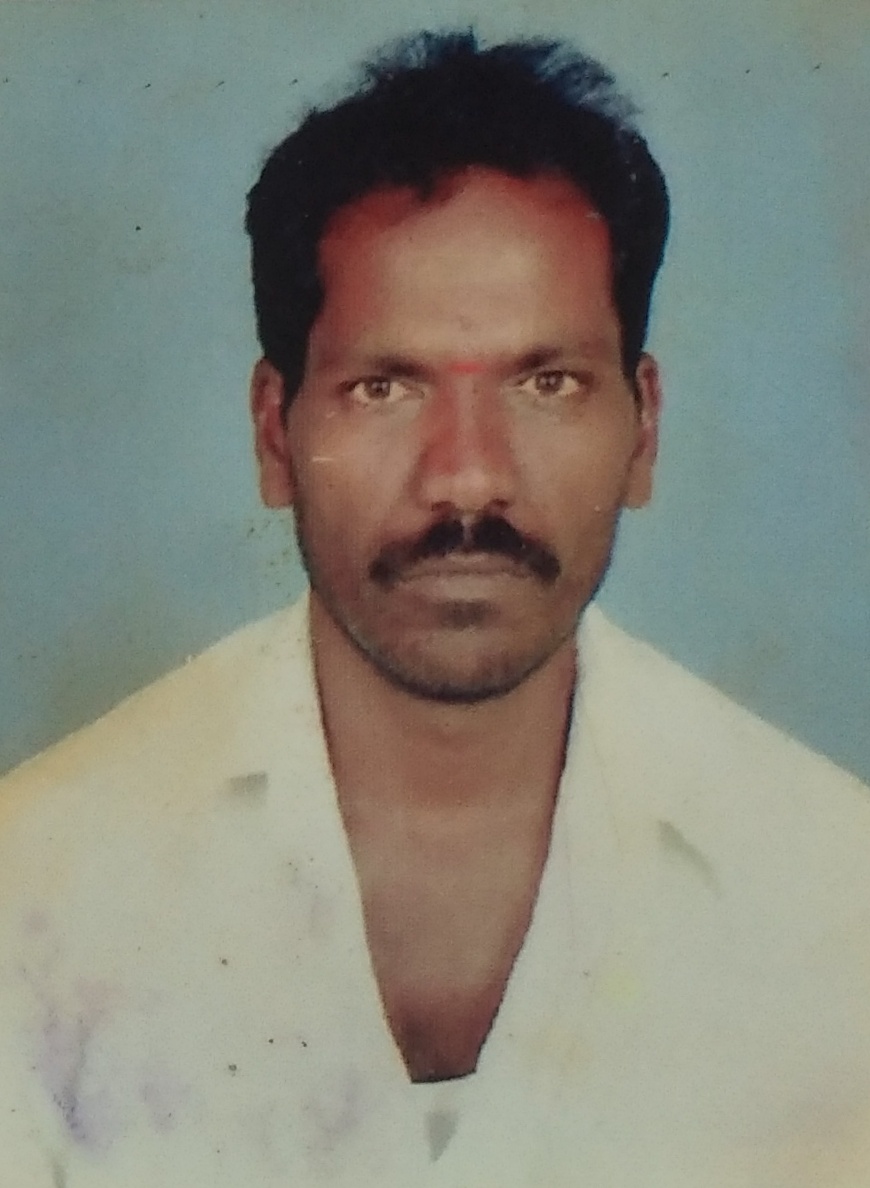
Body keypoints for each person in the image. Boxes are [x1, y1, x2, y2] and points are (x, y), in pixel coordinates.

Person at [2, 30, 870, 1188]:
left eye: (546, 383)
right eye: (385, 387)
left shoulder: (834, 895)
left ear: (644, 428)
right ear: (275, 435)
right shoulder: (37, 889)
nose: (467, 480)